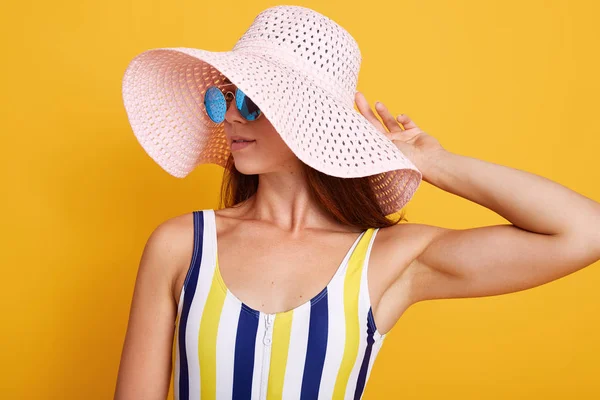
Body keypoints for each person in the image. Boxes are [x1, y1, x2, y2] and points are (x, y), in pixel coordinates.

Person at [114, 5, 600, 400]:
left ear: (308, 116)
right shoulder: (182, 245)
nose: (232, 120)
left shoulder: (388, 259)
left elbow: (585, 232)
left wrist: (434, 164)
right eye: (225, 98)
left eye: (252, 102)